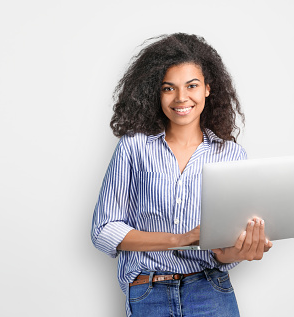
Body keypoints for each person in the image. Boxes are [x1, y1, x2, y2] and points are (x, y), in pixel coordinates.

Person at [90, 33, 273, 317]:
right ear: (156, 92)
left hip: (210, 291)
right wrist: (180, 239)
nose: (181, 98)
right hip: (149, 291)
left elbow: (222, 254)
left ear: (208, 89)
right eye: (168, 88)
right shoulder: (134, 146)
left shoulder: (232, 156)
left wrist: (242, 250)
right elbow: (104, 230)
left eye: (192, 86)